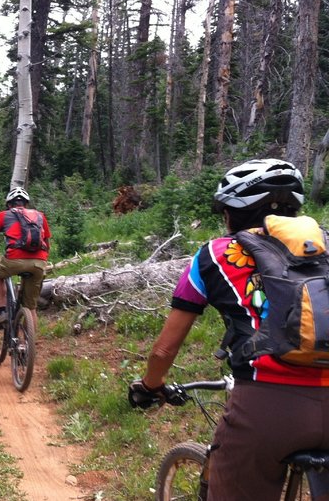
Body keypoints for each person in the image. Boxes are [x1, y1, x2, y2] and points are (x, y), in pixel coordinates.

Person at [128, 158, 329, 501]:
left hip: (268, 407)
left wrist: (151, 385)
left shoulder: (215, 255)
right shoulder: (323, 247)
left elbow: (164, 349)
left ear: (231, 213)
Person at [0, 187, 51, 329]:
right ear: (26, 204)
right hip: (39, 262)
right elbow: (47, 244)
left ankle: (2, 310)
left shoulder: (3, 215)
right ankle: (28, 344)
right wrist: (41, 261)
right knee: (31, 308)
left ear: (9, 205)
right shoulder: (40, 216)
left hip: (14, 260)